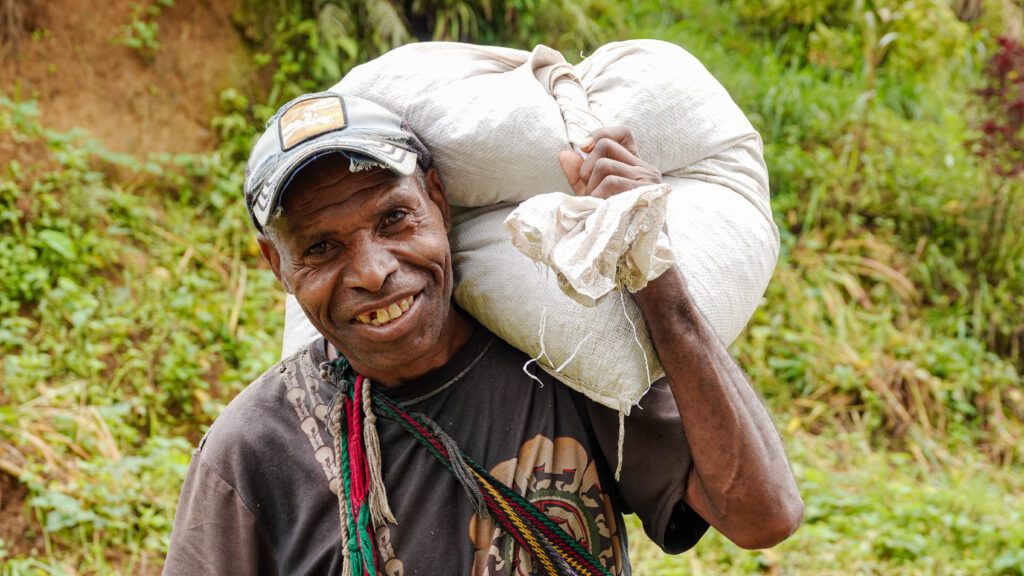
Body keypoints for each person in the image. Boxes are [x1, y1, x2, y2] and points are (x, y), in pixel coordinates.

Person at [163, 91, 803, 575]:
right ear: (277, 267)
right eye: (322, 248)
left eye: (394, 218)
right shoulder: (254, 453)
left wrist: (657, 279)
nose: (373, 271)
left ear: (437, 202)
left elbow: (762, 515)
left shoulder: (564, 352)